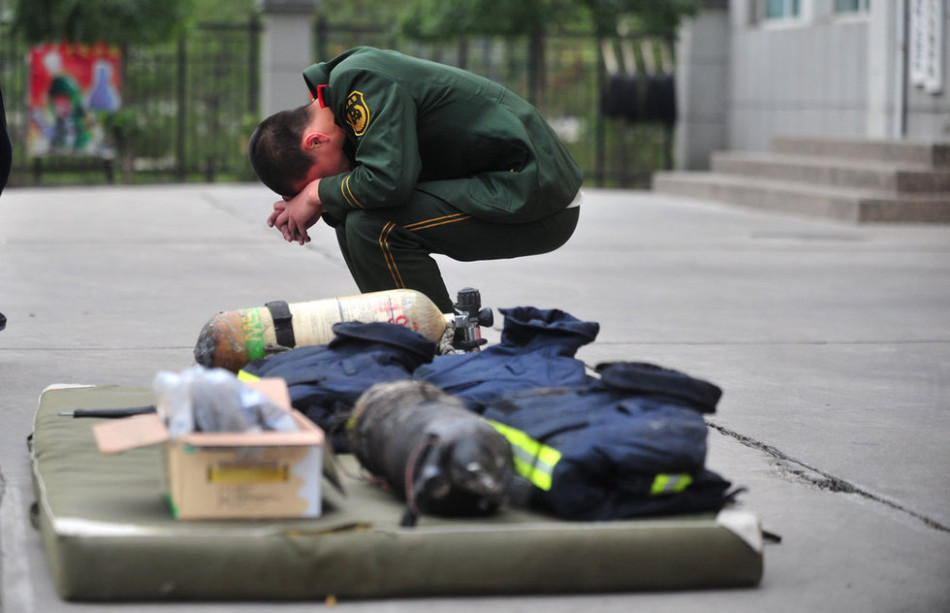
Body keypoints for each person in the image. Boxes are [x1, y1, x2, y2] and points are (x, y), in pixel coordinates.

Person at [248, 46, 583, 314]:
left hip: (534, 194)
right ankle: (404, 333)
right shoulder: (341, 100)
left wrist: (318, 192)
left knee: (373, 226)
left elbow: (388, 182)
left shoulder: (360, 84)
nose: (317, 187)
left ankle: (437, 348)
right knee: (351, 217)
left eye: (313, 178)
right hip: (507, 188)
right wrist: (320, 198)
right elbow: (371, 187)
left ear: (315, 142)